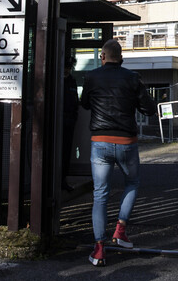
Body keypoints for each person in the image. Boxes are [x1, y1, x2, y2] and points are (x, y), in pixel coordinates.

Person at [81, 39, 157, 267]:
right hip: (126, 141)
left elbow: (84, 104)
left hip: (100, 142)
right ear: (121, 57)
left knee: (100, 194)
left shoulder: (92, 77)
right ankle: (120, 231)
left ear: (103, 57)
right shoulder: (132, 78)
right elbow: (150, 109)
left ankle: (99, 249)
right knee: (132, 183)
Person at [62, 54, 79, 192]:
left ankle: (63, 179)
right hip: (60, 120)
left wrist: (74, 117)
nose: (66, 70)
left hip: (69, 121)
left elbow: (75, 101)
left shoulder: (72, 81)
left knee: (66, 152)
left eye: (68, 67)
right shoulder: (56, 80)